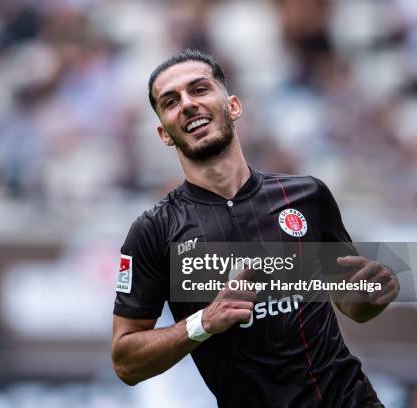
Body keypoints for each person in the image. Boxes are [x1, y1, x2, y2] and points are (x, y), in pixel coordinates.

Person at [110, 49, 400, 407]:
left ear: (232, 106)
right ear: (163, 133)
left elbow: (352, 303)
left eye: (199, 90)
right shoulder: (154, 231)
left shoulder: (308, 195)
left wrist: (375, 292)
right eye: (171, 101)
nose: (187, 104)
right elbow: (125, 360)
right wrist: (203, 322)